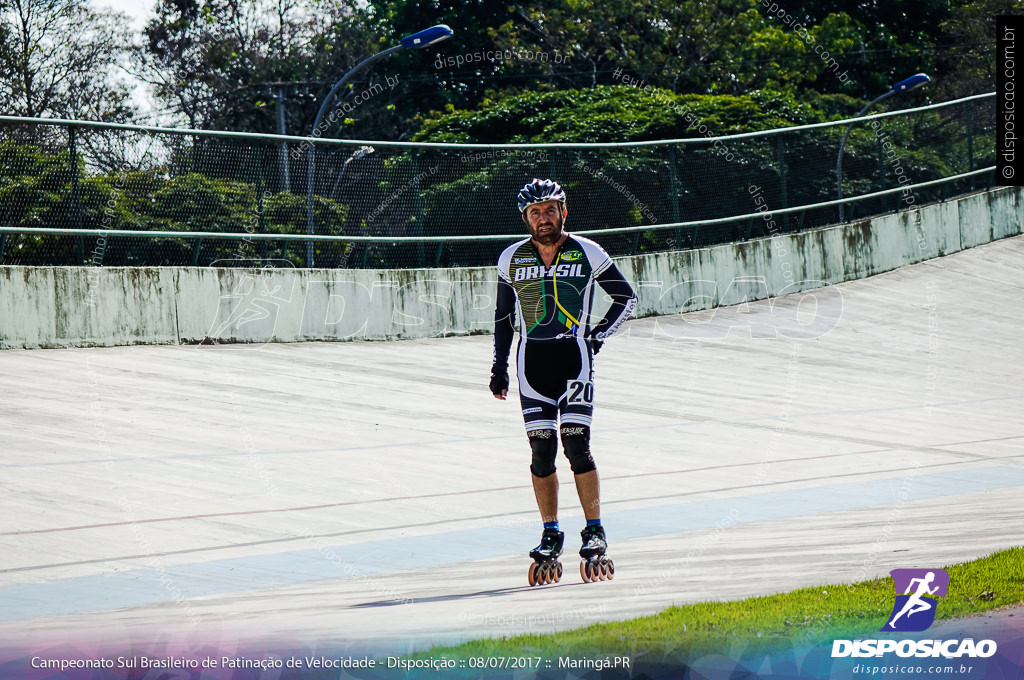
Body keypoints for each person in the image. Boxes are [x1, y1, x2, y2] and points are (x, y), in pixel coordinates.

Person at [489, 178, 637, 572]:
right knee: (541, 451)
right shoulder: (510, 258)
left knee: (576, 444)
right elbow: (504, 317)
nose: (543, 218)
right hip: (530, 363)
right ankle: (551, 531)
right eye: (535, 213)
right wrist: (499, 367)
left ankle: (594, 529)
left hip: (575, 360)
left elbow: (626, 297)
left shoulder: (587, 251)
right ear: (525, 218)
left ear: (563, 212)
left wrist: (596, 337)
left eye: (550, 210)